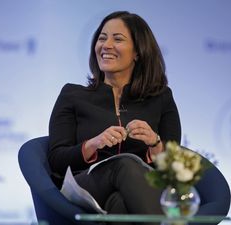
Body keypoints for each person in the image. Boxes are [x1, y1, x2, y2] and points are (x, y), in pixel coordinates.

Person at [47, 11, 181, 220]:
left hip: (138, 190)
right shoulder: (72, 95)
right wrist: (93, 144)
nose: (106, 45)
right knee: (124, 165)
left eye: (117, 39)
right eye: (102, 38)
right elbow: (56, 160)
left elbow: (174, 164)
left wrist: (155, 144)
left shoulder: (161, 98)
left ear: (138, 51)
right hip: (85, 185)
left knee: (118, 204)